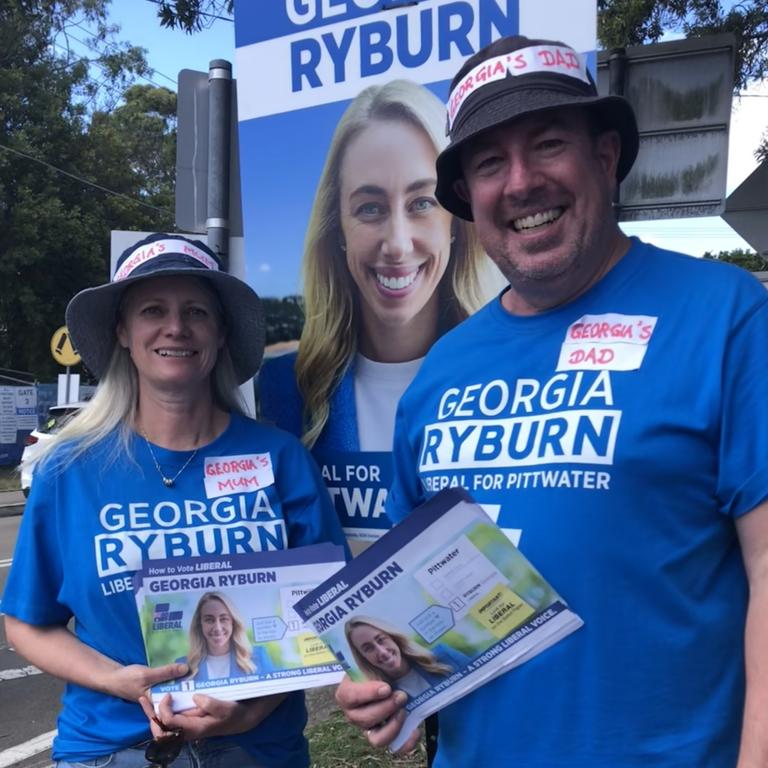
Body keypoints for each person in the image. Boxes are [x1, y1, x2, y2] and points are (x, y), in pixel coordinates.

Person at [335, 35, 768, 768]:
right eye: (489, 163)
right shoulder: (439, 374)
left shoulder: (726, 317)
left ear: (603, 157)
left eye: (547, 145)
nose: (521, 182)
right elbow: (414, 607)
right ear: (468, 197)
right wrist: (387, 686)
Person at [3, 233, 347, 768]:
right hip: (112, 748)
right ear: (122, 330)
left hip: (258, 748)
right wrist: (113, 681)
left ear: (220, 331)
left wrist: (252, 711)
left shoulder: (280, 458)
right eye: (152, 310)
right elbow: (27, 621)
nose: (176, 327)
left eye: (196, 311)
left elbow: (331, 609)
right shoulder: (70, 469)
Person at [259, 79, 489, 550]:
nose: (398, 243)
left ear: (456, 226)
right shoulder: (281, 391)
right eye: (370, 208)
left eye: (423, 203)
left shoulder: (508, 377)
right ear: (338, 229)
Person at [344, 617, 467, 699]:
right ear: (363, 658)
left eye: (381, 640)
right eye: (368, 648)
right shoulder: (382, 697)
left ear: (393, 638)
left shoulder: (444, 655)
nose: (382, 652)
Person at [181, 592, 272, 683]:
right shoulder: (183, 666)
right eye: (209, 620)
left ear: (233, 622)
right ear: (199, 624)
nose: (217, 628)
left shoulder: (258, 657)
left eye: (224, 619)